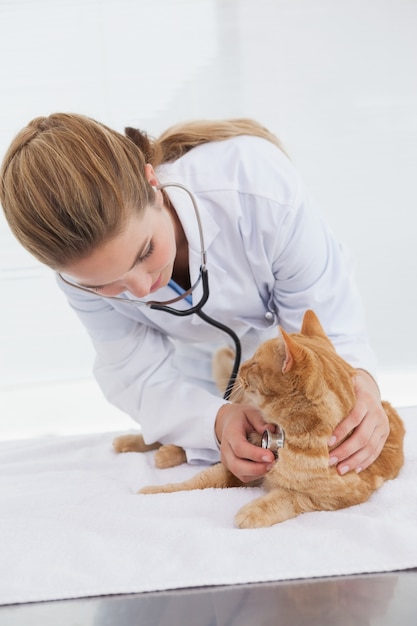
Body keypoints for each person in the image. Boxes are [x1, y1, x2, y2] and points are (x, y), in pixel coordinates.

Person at [0, 113, 389, 482]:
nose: (139, 289)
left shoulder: (257, 186)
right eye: (106, 285)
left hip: (278, 357)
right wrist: (216, 423)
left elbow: (324, 324)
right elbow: (136, 373)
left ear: (153, 185)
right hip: (199, 368)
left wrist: (361, 385)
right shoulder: (75, 279)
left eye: (144, 253)